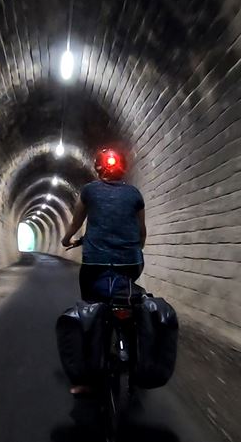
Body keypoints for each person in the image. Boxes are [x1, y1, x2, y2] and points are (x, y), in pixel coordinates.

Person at [60, 148, 147, 394]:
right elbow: (142, 233)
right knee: (126, 298)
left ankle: (87, 379)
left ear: (98, 169)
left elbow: (77, 222)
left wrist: (67, 239)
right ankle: (135, 353)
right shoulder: (135, 194)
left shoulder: (89, 191)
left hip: (96, 264)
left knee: (91, 308)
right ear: (123, 171)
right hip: (132, 263)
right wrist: (131, 252)